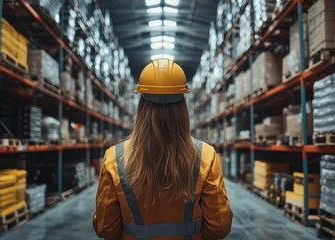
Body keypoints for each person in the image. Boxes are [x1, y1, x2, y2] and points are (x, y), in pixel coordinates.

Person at [93, 58, 233, 239]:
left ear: (141, 108)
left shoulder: (114, 158)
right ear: (183, 108)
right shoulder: (205, 155)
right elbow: (220, 226)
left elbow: (106, 228)